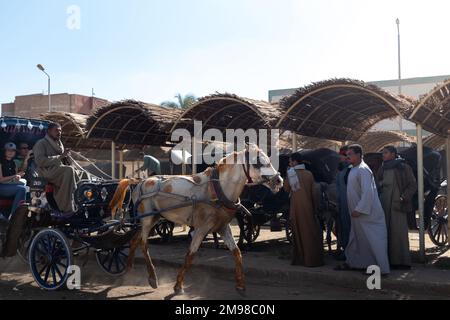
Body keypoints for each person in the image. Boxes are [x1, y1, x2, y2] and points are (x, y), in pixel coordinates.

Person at [336, 144, 390, 275]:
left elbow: (368, 193)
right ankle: (357, 263)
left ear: (359, 155)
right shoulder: (353, 169)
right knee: (358, 240)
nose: (347, 157)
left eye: (350, 154)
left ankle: (382, 269)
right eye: (347, 155)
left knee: (374, 241)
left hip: (367, 214)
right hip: (357, 215)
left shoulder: (363, 170)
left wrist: (359, 209)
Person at [377, 146, 416, 270]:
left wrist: (404, 197)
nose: (383, 155)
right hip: (384, 204)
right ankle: (387, 260)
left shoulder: (403, 167)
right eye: (383, 153)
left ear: (393, 154)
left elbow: (412, 184)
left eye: (386, 153)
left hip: (398, 204)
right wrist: (381, 185)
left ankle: (402, 262)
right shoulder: (382, 167)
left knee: (399, 233)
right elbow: (377, 182)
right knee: (385, 232)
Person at [284, 152, 324, 267]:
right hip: (309, 207)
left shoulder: (291, 173)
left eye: (291, 161)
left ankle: (300, 259)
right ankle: (313, 259)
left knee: (298, 233)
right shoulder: (309, 174)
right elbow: (313, 192)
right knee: (310, 233)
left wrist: (287, 174)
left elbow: (286, 189)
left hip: (296, 208)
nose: (289, 163)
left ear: (295, 162)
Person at [33, 122, 77, 213]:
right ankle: (64, 207)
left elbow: (63, 161)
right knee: (69, 170)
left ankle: (79, 201)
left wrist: (66, 156)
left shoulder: (60, 145)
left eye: (60, 130)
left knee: (82, 173)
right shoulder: (41, 143)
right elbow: (40, 161)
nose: (59, 132)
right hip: (46, 172)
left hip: (58, 170)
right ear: (49, 131)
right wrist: (60, 157)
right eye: (56, 130)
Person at [0, 143, 27, 219]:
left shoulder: (14, 163)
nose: (11, 152)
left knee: (27, 188)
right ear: (4, 151)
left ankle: (25, 215)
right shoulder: (1, 162)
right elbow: (1, 179)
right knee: (22, 189)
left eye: (13, 151)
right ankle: (14, 216)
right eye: (8, 150)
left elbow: (15, 177)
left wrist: (17, 177)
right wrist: (15, 176)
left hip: (10, 186)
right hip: (2, 186)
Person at [335, 146, 351, 260]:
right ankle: (345, 250)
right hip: (341, 204)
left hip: (349, 206)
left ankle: (349, 253)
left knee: (349, 229)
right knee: (342, 228)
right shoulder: (341, 171)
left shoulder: (351, 170)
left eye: (341, 155)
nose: (339, 158)